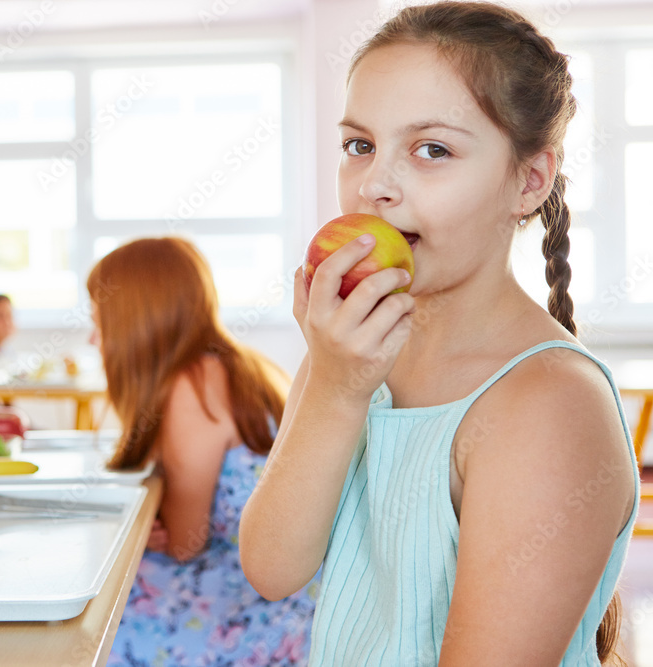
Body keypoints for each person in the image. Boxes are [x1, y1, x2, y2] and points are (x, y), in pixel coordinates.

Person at [239, 3, 640, 666]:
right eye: (359, 145)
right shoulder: (349, 355)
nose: (374, 185)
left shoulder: (547, 403)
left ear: (529, 181)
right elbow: (272, 566)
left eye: (432, 150)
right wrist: (335, 389)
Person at [93, 237, 320, 666]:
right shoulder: (236, 364)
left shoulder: (191, 388)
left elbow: (183, 546)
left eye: (99, 319)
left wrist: (153, 537)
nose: (93, 337)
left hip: (251, 613)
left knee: (90, 619)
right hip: (286, 599)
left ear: (135, 318)